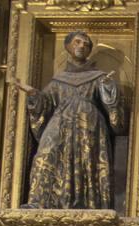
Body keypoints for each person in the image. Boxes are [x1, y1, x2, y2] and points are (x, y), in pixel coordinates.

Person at [15, 31, 126, 210]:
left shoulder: (98, 77)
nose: (81, 46)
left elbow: (113, 111)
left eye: (86, 44)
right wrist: (34, 94)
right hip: (60, 124)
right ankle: (40, 202)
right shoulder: (59, 80)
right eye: (77, 42)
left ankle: (89, 205)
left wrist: (108, 88)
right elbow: (46, 104)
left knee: (86, 161)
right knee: (45, 154)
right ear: (68, 47)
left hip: (88, 125)